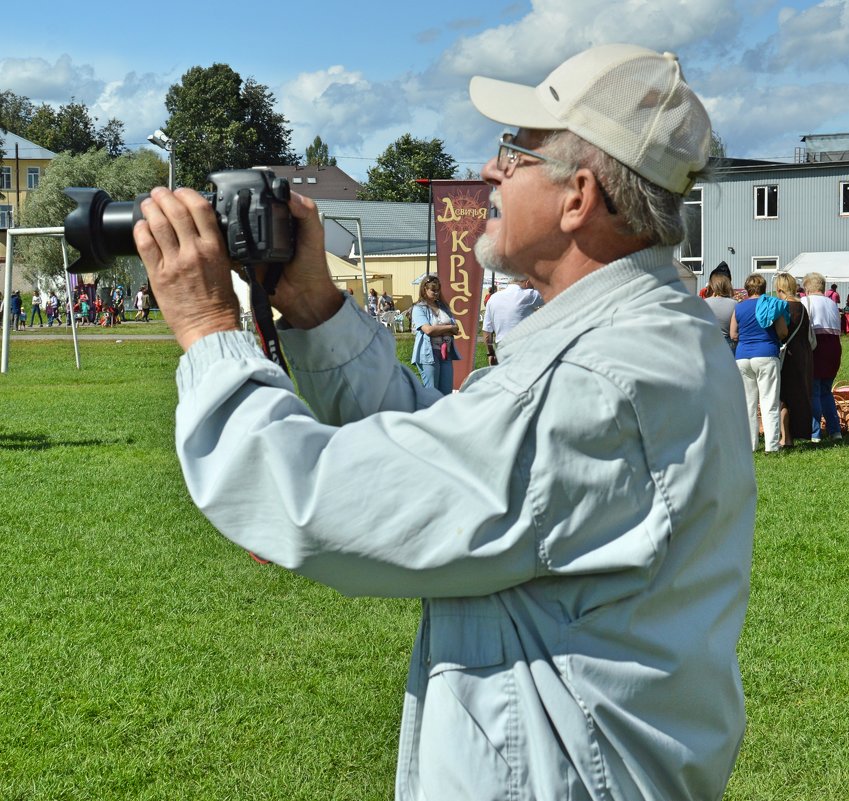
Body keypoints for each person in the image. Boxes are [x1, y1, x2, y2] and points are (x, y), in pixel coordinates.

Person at [133, 43, 755, 801]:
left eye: (513, 153)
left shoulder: (594, 382)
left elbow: (316, 499)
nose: (490, 171)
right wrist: (314, 307)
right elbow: (455, 464)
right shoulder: (650, 339)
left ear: (577, 197)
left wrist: (206, 323)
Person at [730, 273, 789, 452]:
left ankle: (750, 445)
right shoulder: (771, 305)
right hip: (766, 355)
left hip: (742, 357)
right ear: (764, 288)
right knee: (768, 401)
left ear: (747, 289)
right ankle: (771, 446)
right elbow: (783, 332)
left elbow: (733, 334)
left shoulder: (738, 308)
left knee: (748, 403)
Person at [802, 271, 843, 442]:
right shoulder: (832, 304)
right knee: (826, 391)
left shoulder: (805, 301)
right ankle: (835, 431)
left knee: (814, 392)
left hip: (816, 348)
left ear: (807, 287)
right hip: (834, 348)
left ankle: (815, 432)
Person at [410, 275, 460, 395]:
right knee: (432, 392)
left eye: (438, 289)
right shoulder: (418, 309)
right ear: (424, 290)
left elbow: (456, 329)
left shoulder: (444, 307)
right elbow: (428, 330)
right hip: (428, 356)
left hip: (446, 354)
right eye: (433, 290)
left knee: (446, 392)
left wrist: (439, 329)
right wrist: (448, 328)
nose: (436, 292)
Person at [481, 275, 544, 364]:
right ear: (528, 283)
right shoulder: (529, 295)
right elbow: (555, 293)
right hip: (524, 348)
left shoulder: (493, 298)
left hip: (501, 349)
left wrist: (490, 353)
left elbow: (487, 333)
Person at [702, 272, 737, 349]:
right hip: (728, 344)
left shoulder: (704, 303)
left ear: (713, 286)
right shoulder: (735, 304)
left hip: (708, 343)